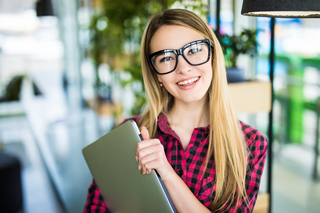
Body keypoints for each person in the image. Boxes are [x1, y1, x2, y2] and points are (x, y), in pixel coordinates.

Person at [83, 8, 267, 213]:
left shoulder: (250, 144)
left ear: (213, 56)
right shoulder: (127, 137)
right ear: (156, 74)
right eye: (166, 58)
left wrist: (166, 173)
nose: (183, 68)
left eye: (194, 50)